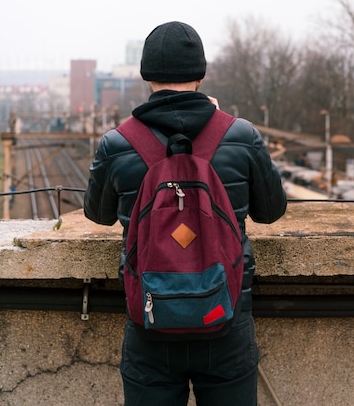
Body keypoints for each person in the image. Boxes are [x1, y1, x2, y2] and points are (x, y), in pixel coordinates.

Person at [84, 21, 287, 406]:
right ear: (201, 73)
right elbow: (271, 212)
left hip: (151, 324)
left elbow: (97, 215)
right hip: (224, 319)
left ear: (146, 76)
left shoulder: (116, 143)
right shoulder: (241, 135)